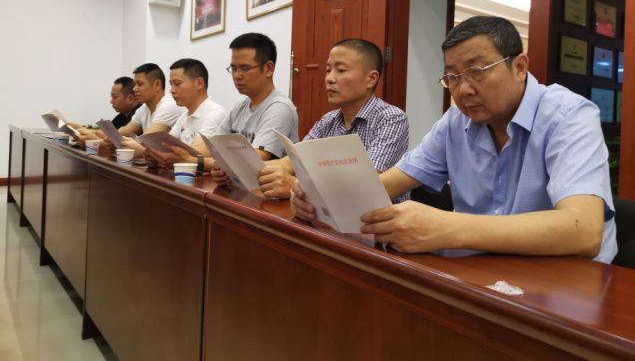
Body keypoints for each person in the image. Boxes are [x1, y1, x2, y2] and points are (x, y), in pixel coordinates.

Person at [292, 16, 617, 263]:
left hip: (565, 283)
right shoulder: (456, 122)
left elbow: (583, 230)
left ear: (519, 67)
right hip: (481, 274)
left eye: (477, 71)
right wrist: (320, 199)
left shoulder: (568, 115)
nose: (463, 90)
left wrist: (446, 228)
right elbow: (387, 184)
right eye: (452, 77)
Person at [257, 38, 409, 200]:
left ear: (371, 79)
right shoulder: (328, 121)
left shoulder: (392, 119)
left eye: (341, 70)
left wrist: (296, 186)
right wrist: (248, 170)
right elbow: (293, 161)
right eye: (328, 70)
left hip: (377, 213)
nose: (329, 78)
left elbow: (365, 184)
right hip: (325, 211)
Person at [210, 33, 298, 181]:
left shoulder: (280, 108)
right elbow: (213, 147)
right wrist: (218, 167)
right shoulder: (239, 107)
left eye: (244, 68)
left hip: (268, 192)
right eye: (233, 68)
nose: (237, 75)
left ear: (268, 68)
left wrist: (201, 162)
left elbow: (255, 161)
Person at [144, 58, 226, 169]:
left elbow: (197, 154)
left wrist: (163, 154)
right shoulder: (184, 116)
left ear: (199, 83)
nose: (172, 90)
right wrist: (154, 154)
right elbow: (165, 147)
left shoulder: (215, 113)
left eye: (177, 84)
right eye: (171, 84)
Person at [117, 63, 184, 136]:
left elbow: (147, 140)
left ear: (157, 85)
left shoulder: (169, 105)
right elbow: (123, 133)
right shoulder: (144, 108)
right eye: (134, 85)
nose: (134, 89)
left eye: (140, 84)